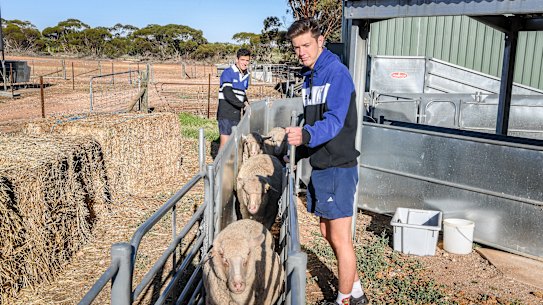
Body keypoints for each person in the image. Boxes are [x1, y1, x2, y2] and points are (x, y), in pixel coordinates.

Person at [285, 19, 369, 305]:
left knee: (340, 236)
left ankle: (343, 300)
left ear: (321, 40)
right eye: (296, 48)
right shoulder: (310, 77)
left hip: (338, 166)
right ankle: (355, 290)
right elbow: (312, 119)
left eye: (306, 45)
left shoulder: (337, 74)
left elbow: (332, 122)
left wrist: (306, 135)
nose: (302, 52)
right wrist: (300, 153)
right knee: (325, 230)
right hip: (321, 164)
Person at [217, 48, 251, 150]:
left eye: (247, 60)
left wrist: (248, 104)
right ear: (237, 60)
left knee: (233, 144)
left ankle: (230, 166)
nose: (245, 63)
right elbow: (228, 93)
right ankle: (218, 165)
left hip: (236, 114)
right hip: (226, 113)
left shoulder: (246, 75)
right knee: (225, 144)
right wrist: (242, 105)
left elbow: (242, 93)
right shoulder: (228, 72)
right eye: (242, 60)